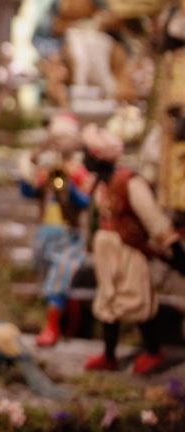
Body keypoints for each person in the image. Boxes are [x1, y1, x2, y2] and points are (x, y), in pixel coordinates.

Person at [82, 125, 185, 374]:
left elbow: (151, 216)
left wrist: (173, 248)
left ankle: (152, 350)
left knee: (138, 299)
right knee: (108, 299)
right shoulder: (99, 184)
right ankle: (109, 355)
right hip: (106, 249)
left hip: (129, 248)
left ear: (96, 156)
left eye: (87, 153)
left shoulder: (129, 181)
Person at [18, 113, 91, 347]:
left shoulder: (79, 172)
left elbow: (85, 202)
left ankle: (54, 328)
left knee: (58, 280)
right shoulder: (48, 170)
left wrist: (68, 188)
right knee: (49, 279)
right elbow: (28, 192)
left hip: (68, 232)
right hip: (46, 232)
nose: (60, 145)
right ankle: (67, 323)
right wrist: (32, 167)